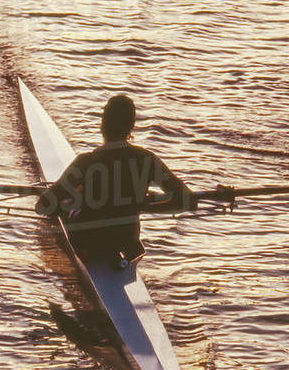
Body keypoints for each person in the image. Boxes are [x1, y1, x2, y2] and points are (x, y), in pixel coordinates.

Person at [34, 94, 196, 266]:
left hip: (90, 245)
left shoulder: (87, 162)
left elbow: (43, 206)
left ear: (102, 125)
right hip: (127, 244)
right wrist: (142, 206)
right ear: (131, 127)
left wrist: (72, 200)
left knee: (63, 209)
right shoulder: (147, 160)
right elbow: (188, 201)